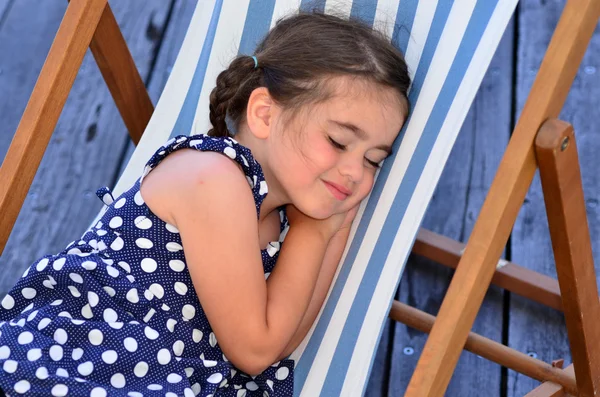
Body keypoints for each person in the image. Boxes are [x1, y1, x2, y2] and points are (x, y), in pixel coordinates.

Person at [0, 10, 410, 397]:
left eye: (373, 160)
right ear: (264, 114)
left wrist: (324, 231)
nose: (357, 172)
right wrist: (316, 232)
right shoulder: (215, 179)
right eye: (339, 141)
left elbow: (281, 341)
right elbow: (255, 352)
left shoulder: (287, 221)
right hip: (83, 359)